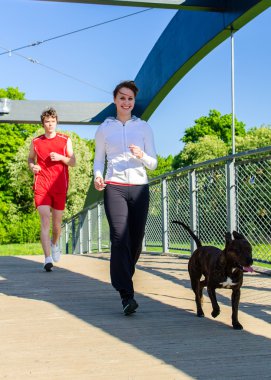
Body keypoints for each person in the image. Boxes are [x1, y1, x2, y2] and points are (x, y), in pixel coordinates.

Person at [94, 80, 157, 315]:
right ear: (115, 100)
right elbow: (99, 158)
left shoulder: (143, 127)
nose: (126, 102)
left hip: (139, 187)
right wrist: (98, 176)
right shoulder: (104, 128)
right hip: (115, 186)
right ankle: (126, 295)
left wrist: (142, 155)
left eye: (130, 98)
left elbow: (154, 162)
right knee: (119, 236)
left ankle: (122, 276)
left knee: (136, 239)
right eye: (122, 97)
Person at [28, 107, 76, 272]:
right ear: (43, 123)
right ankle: (47, 259)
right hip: (41, 185)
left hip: (59, 186)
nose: (50, 124)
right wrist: (32, 166)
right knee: (45, 221)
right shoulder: (36, 142)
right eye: (47, 122)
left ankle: (55, 244)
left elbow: (73, 161)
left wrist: (62, 158)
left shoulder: (65, 140)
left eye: (52, 121)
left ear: (56, 122)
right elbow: (30, 158)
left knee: (56, 226)